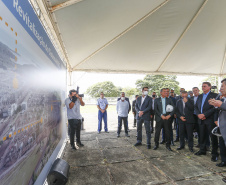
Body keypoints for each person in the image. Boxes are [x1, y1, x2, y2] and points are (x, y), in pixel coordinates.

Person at [194, 82, 219, 162]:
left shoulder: (215, 95)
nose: (203, 87)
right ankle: (202, 150)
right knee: (202, 136)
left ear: (209, 87)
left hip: (210, 120)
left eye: (204, 86)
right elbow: (196, 106)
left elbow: (215, 108)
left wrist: (204, 114)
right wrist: (198, 114)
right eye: (202, 86)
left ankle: (214, 154)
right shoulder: (200, 96)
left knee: (213, 137)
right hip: (200, 119)